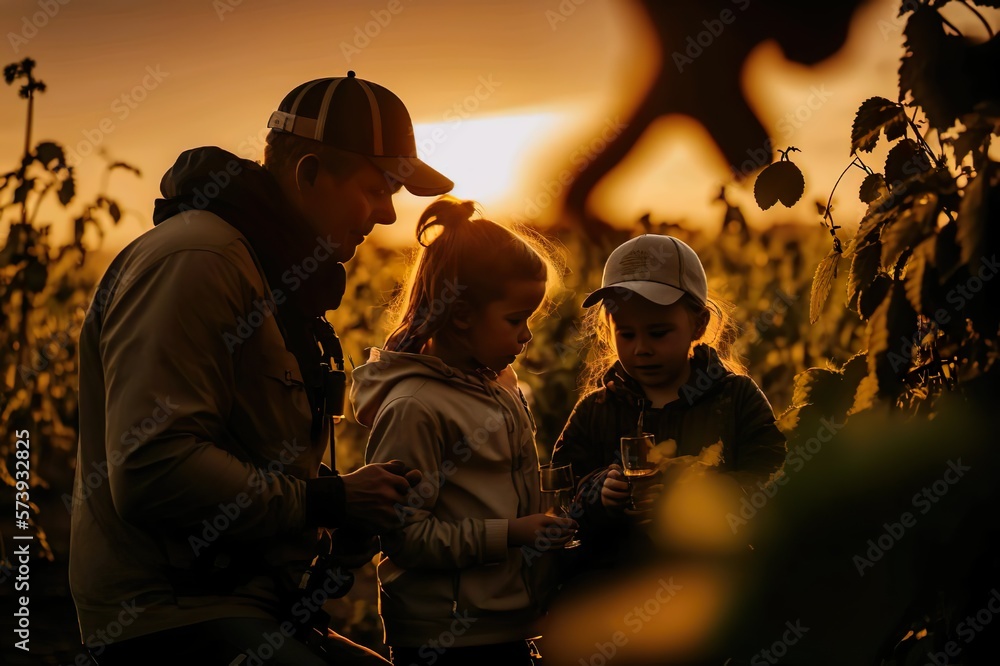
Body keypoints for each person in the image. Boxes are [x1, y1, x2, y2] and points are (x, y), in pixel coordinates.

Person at [69, 72, 452, 665]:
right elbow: (153, 467)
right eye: (377, 189)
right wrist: (327, 502)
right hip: (170, 617)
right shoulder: (199, 261)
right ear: (307, 173)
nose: (387, 215)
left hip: (250, 605)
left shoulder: (266, 273)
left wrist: (351, 498)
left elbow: (241, 448)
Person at [350, 197, 577, 666]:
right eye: (516, 320)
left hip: (506, 624)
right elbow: (406, 539)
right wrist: (511, 533)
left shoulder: (502, 385)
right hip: (445, 638)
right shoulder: (415, 407)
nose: (527, 336)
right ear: (463, 315)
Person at [551, 233, 787, 571]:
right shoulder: (594, 411)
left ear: (699, 324)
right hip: (615, 596)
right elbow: (561, 506)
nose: (641, 348)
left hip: (713, 586)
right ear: (608, 330)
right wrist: (599, 495)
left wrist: (693, 491)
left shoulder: (735, 399)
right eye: (627, 334)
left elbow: (773, 483)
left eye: (659, 333)